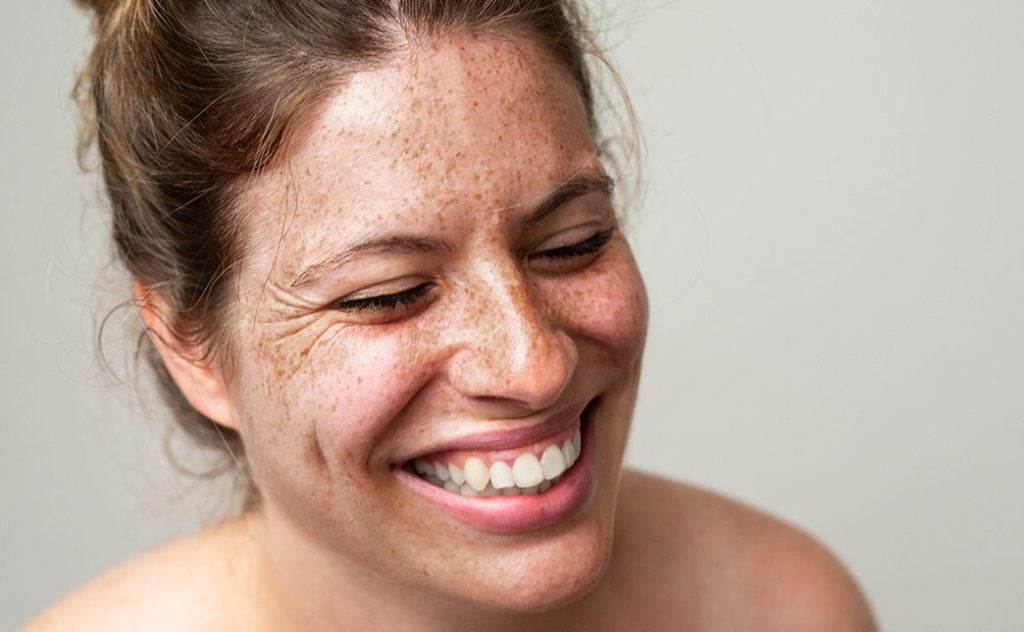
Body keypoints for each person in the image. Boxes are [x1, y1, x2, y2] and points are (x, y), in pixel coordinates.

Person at [27, 0, 876, 629]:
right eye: (389, 294)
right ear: (191, 345)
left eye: (572, 243)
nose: (532, 363)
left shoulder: (783, 608)